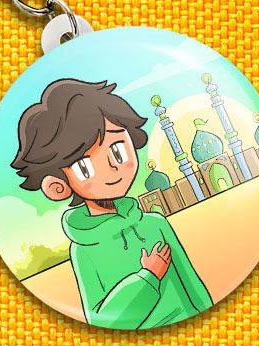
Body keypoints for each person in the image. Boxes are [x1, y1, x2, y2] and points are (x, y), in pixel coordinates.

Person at [11, 79, 212, 329]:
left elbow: (194, 288)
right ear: (58, 184)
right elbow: (101, 319)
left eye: (118, 151)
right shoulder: (83, 250)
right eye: (84, 167)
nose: (112, 168)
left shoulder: (156, 224)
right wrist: (148, 278)